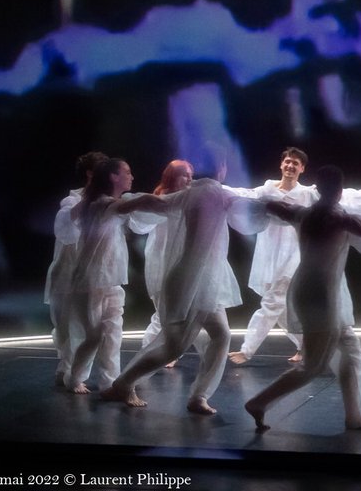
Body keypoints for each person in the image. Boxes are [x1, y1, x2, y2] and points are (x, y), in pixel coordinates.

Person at [244, 165, 361, 433]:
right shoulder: (339, 217)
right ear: (339, 190)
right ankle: (259, 402)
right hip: (321, 294)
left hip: (310, 289)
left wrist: (255, 202)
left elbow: (274, 206)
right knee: (313, 364)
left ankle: (356, 415)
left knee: (351, 352)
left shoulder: (304, 213)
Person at [100, 145, 250, 414]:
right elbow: (152, 203)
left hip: (205, 279)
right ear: (221, 169)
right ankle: (124, 383)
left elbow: (149, 203)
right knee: (174, 345)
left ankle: (198, 396)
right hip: (186, 279)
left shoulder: (201, 195)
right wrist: (115, 206)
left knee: (220, 334)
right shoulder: (204, 196)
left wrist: (118, 206)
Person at [63, 158, 169, 395]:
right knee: (94, 336)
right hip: (89, 282)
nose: (132, 177)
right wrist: (174, 199)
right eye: (127, 172)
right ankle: (74, 378)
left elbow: (134, 205)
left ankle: (109, 383)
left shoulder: (104, 204)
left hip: (110, 280)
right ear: (113, 177)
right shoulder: (99, 204)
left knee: (113, 334)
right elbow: (136, 203)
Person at [229, 147, 314, 366]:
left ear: (302, 168)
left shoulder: (307, 194)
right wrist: (213, 188)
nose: (290, 166)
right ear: (281, 165)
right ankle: (307, 346)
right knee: (281, 306)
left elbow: (343, 197)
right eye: (287, 161)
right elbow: (242, 193)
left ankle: (246, 350)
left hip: (294, 254)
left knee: (272, 301)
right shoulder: (267, 190)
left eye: (296, 163)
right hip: (269, 255)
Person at [45, 150, 106, 387]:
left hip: (93, 274)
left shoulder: (107, 200)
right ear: (91, 174)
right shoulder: (73, 201)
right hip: (69, 272)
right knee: (69, 324)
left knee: (94, 327)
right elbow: (68, 231)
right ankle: (68, 369)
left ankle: (81, 373)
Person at [140, 159, 194, 369]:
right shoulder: (162, 198)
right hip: (162, 259)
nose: (189, 179)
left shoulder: (187, 199)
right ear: (172, 177)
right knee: (163, 311)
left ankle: (164, 351)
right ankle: (150, 353)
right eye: (184, 175)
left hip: (178, 259)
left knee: (177, 311)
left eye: (190, 175)